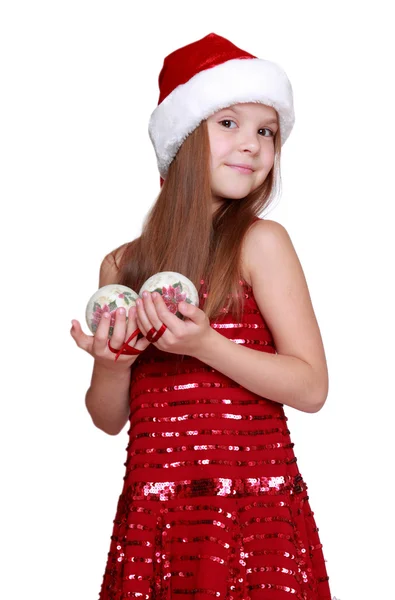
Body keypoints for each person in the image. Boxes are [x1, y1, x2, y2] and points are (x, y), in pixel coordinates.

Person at [71, 32, 332, 600]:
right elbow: (107, 418)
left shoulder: (260, 244)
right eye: (230, 124)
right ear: (183, 138)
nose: (254, 146)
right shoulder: (122, 265)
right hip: (159, 520)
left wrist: (206, 345)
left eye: (266, 131)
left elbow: (311, 387)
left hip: (250, 517)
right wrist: (113, 365)